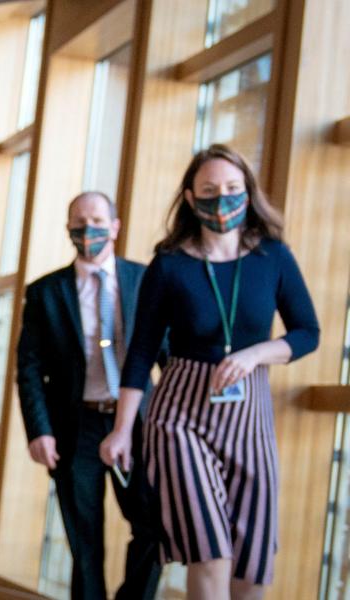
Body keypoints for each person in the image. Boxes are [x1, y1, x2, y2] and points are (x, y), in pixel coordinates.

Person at [100, 145, 319, 600]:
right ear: (190, 197)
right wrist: (122, 431)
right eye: (210, 191)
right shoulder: (170, 264)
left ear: (248, 192)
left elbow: (307, 332)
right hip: (180, 416)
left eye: (233, 190)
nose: (223, 200)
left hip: (250, 412)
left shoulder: (273, 257)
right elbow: (140, 353)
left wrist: (256, 354)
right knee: (209, 549)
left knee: (252, 564)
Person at [16, 192, 163, 600]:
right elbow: (28, 369)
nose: (88, 229)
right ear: (68, 229)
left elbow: (167, 354)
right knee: (85, 541)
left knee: (155, 526)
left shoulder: (145, 280)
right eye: (78, 222)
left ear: (115, 226)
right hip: (73, 429)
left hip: (138, 425)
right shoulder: (45, 292)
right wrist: (38, 431)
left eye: (97, 220)